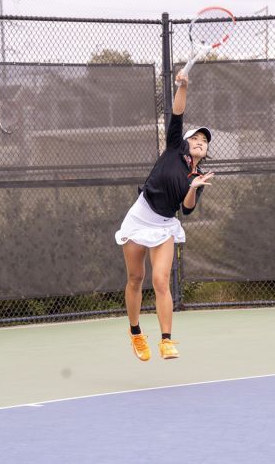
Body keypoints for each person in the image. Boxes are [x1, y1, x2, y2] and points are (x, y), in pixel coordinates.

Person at [115, 69, 215, 361]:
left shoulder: (199, 176)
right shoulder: (173, 148)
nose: (200, 141)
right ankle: (135, 333)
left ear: (206, 151)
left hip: (164, 226)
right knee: (136, 278)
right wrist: (182, 86)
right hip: (140, 216)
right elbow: (178, 112)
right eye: (196, 138)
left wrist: (194, 188)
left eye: (204, 141)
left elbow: (186, 209)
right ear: (185, 142)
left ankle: (167, 341)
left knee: (160, 280)